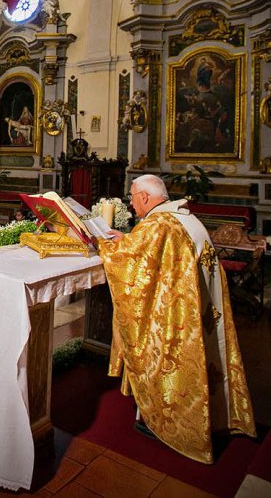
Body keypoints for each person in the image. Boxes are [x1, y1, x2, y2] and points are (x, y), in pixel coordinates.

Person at [95, 175, 256, 463]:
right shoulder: (183, 217)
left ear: (145, 197)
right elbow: (155, 253)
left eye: (132, 197)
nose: (131, 203)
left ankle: (176, 423)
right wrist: (130, 240)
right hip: (205, 313)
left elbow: (132, 266)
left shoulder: (159, 225)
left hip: (178, 319)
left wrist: (100, 242)